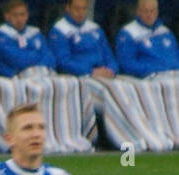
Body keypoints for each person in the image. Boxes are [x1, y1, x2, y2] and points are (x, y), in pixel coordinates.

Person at [49, 0, 171, 151]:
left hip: (105, 75)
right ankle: (124, 136)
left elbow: (109, 56)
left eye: (83, 9)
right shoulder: (59, 31)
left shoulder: (94, 29)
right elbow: (63, 61)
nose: (81, 13)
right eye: (77, 9)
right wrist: (90, 71)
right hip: (82, 77)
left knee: (129, 89)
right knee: (114, 92)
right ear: (68, 8)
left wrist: (112, 70)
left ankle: (153, 131)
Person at [0, 0, 92, 154]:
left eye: (23, 14)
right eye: (15, 15)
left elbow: (50, 58)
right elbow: (17, 60)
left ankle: (71, 137)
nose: (20, 19)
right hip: (20, 77)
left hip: (45, 73)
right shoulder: (1, 35)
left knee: (73, 84)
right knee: (40, 89)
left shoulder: (35, 32)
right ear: (7, 16)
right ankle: (44, 139)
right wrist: (36, 55)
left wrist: (34, 56)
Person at [115, 0, 179, 149]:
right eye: (146, 11)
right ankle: (167, 133)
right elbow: (126, 63)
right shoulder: (128, 33)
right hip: (149, 77)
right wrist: (154, 69)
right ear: (138, 11)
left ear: (157, 12)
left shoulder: (165, 32)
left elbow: (175, 56)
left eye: (152, 11)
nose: (150, 15)